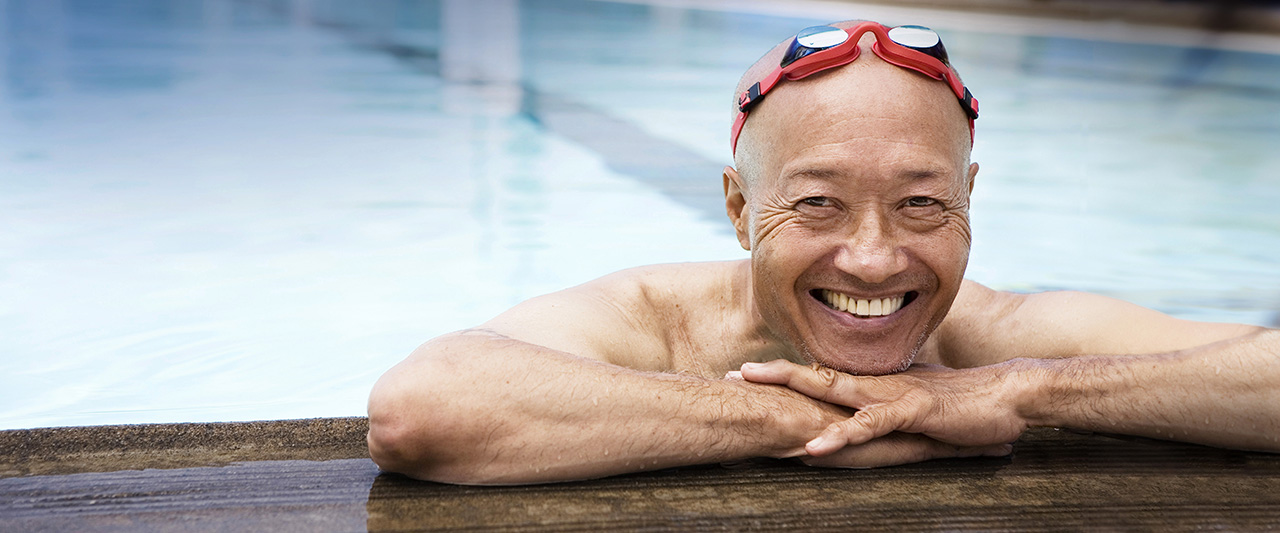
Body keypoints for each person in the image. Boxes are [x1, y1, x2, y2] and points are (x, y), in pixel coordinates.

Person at [365, 20, 1279, 485]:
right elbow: (421, 409)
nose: (874, 258)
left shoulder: (1005, 343)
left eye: (922, 203)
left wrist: (1022, 389)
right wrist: (824, 420)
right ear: (737, 206)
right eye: (817, 205)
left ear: (970, 201)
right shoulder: (649, 319)